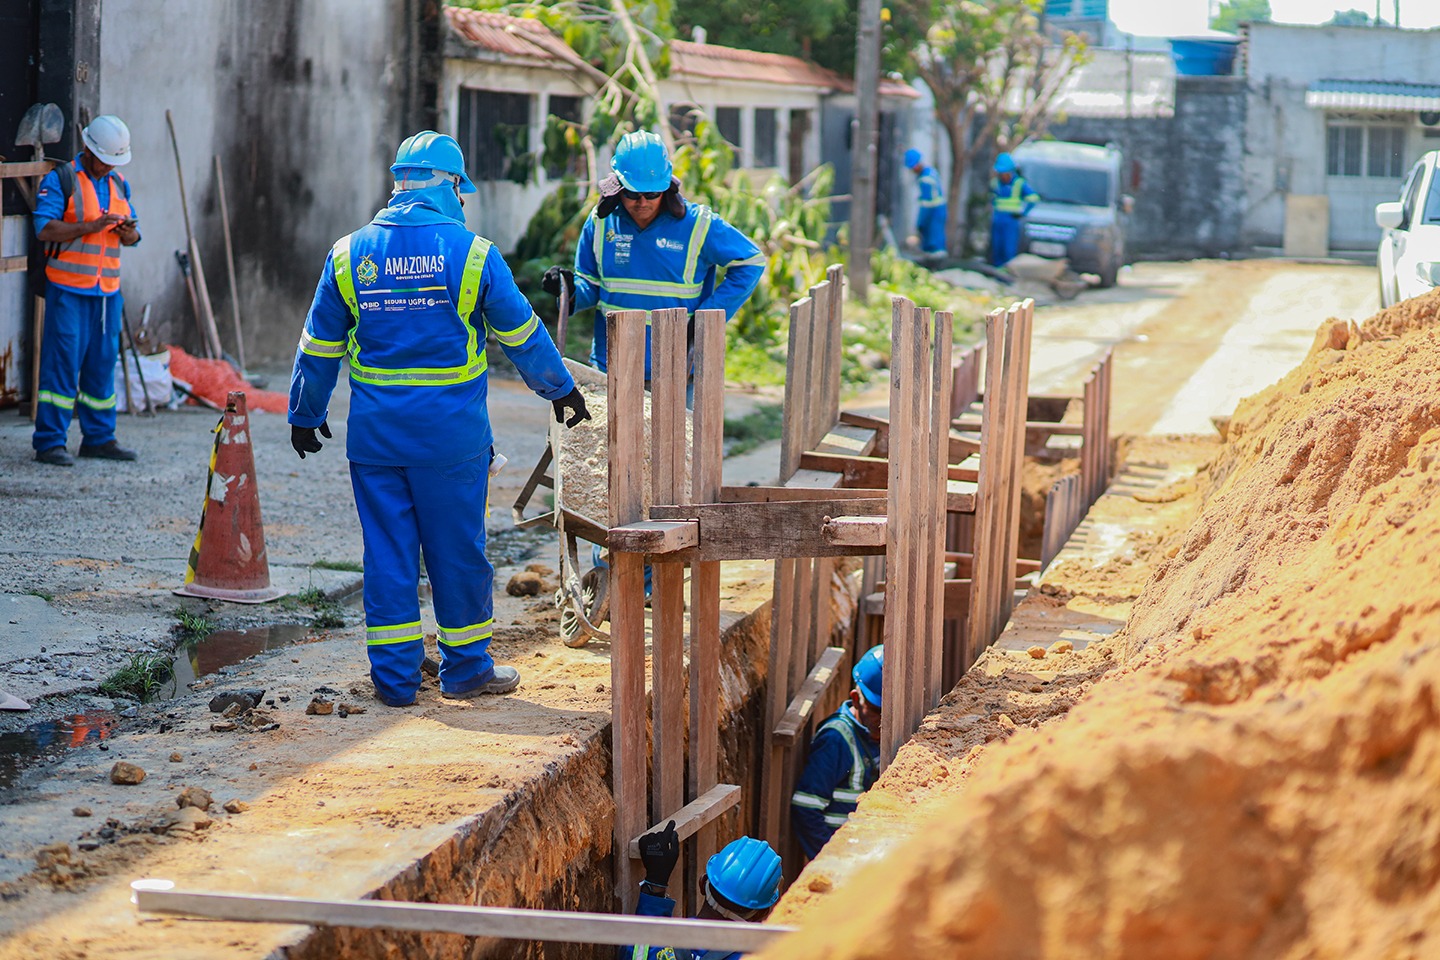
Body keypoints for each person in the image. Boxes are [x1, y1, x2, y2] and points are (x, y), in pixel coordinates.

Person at [288, 131, 590, 708]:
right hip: (452, 442)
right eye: (462, 188)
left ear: (399, 184)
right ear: (450, 186)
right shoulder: (474, 254)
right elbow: (522, 333)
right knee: (457, 554)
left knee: (388, 557)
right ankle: (467, 670)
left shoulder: (349, 252)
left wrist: (305, 412)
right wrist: (561, 390)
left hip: (375, 442)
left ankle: (396, 683)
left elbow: (319, 343)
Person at [541, 130, 765, 381]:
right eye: (632, 194)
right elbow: (591, 286)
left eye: (652, 194)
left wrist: (706, 318)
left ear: (666, 187)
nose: (642, 203)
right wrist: (569, 290)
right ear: (617, 187)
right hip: (611, 367)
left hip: (677, 369)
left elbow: (751, 262)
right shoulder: (601, 224)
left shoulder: (698, 225)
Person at [31, 115, 142, 466]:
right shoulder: (61, 180)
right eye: (107, 158)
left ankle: (99, 438)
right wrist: (89, 227)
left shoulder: (119, 183)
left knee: (101, 366)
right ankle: (49, 442)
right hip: (68, 291)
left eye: (116, 160)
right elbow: (45, 229)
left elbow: (135, 236)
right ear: (89, 150)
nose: (111, 165)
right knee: (61, 366)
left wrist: (128, 234)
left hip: (107, 294)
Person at [624, 823, 783, 960]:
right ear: (762, 914)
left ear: (702, 884)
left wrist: (655, 884)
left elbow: (636, 954)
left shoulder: (669, 944)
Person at [790, 645, 883, 860]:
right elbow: (806, 808)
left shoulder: (880, 736)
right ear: (856, 699)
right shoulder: (837, 739)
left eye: (891, 710)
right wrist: (832, 860)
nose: (884, 719)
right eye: (877, 710)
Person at [989, 152, 1039, 268]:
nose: (1003, 175)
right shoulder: (995, 183)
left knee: (1008, 248)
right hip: (998, 220)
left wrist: (1023, 213)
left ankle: (1008, 272)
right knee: (997, 247)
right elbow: (992, 199)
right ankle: (997, 271)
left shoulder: (1019, 183)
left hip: (1011, 220)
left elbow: (1033, 198)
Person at [902, 148, 947, 261]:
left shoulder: (925, 179)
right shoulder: (929, 172)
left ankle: (935, 260)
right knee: (933, 235)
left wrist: (920, 223)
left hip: (934, 210)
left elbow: (927, 204)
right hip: (938, 209)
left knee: (933, 236)